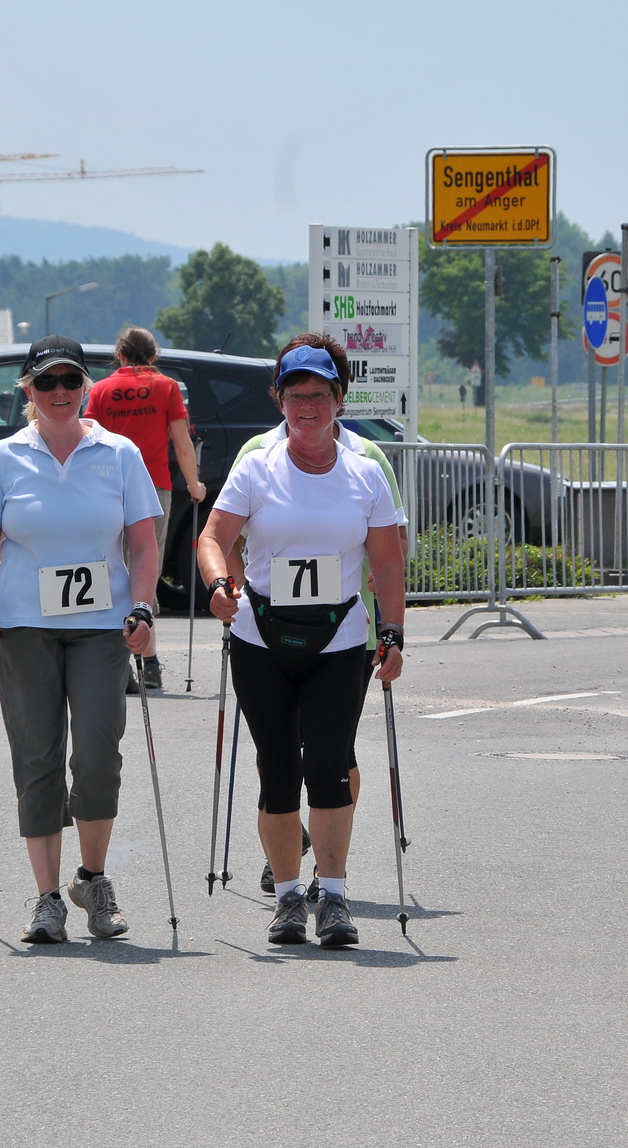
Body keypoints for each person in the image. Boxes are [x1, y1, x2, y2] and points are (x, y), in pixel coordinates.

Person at [197, 338, 406, 949]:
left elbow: (388, 565)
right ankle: (288, 898)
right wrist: (217, 582)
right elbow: (213, 536)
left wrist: (392, 633)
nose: (306, 407)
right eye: (295, 397)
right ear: (280, 400)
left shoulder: (366, 471)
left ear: (339, 400)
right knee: (278, 770)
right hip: (261, 638)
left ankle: (333, 896)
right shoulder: (257, 465)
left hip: (340, 641)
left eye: (318, 395)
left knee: (331, 768)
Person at [0, 334, 162, 944]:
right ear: (27, 388)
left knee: (98, 756)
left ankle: (93, 880)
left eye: (70, 381)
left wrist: (143, 606)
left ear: (85, 387)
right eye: (46, 382)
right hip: (25, 629)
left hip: (103, 628)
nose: (59, 393)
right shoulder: (3, 458)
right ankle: (47, 897)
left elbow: (145, 544)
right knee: (38, 760)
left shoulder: (119, 453)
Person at [84, 326, 205, 693]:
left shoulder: (101, 390)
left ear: (120, 355)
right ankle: (149, 663)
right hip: (152, 487)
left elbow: (88, 436)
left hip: (106, 487)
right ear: (153, 356)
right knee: (144, 569)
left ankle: (120, 665)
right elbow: (182, 442)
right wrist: (194, 483)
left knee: (111, 571)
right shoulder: (166, 387)